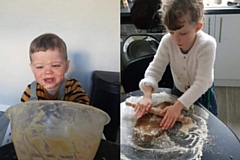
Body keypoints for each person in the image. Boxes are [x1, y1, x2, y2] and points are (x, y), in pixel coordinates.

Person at [134, 0, 218, 130]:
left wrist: (177, 107)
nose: (176, 39)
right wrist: (147, 94)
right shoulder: (167, 41)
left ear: (197, 27)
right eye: (171, 32)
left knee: (204, 128)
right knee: (180, 129)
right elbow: (155, 69)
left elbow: (202, 82)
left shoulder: (207, 45)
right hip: (178, 90)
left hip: (201, 94)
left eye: (183, 33)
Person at [21, 33, 89, 105]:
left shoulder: (72, 87)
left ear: (66, 66)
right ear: (32, 69)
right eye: (40, 67)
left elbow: (84, 111)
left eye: (55, 65)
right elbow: (23, 113)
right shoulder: (30, 91)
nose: (48, 72)